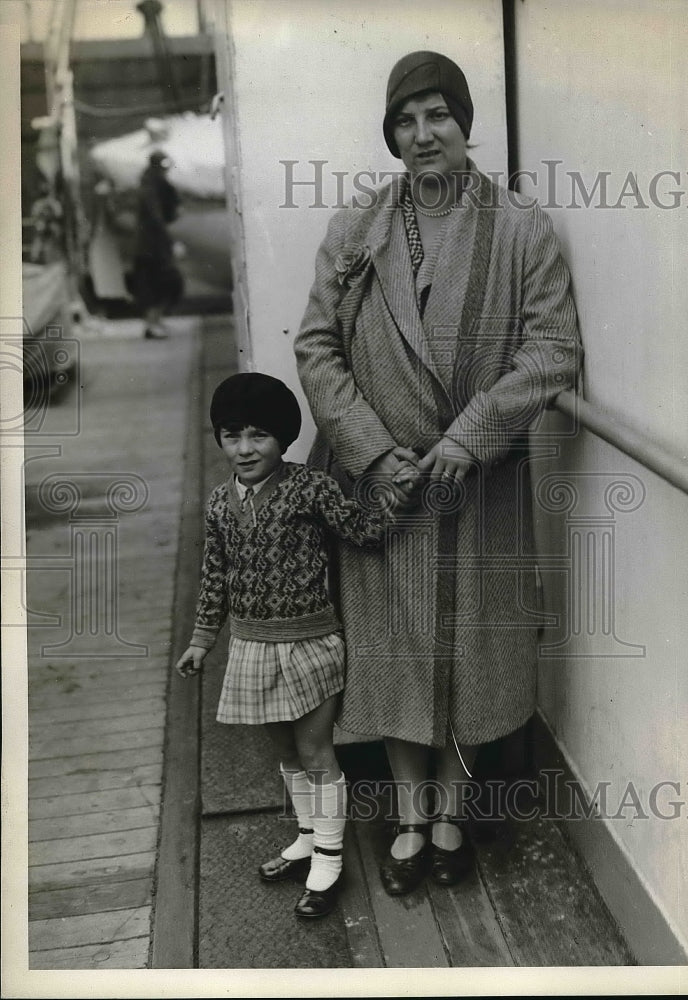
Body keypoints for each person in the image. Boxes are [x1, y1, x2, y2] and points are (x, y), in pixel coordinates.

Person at [295, 51, 583, 895]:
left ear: (463, 124)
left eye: (437, 117)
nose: (423, 136)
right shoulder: (357, 226)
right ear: (391, 135)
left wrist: (467, 439)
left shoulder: (519, 227)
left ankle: (452, 812)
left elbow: (552, 349)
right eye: (405, 121)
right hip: (381, 484)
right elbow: (316, 347)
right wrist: (374, 453)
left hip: (473, 482)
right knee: (393, 649)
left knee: (468, 645)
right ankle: (409, 818)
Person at [175, 373, 395, 918]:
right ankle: (305, 835)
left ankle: (329, 855)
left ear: (284, 438)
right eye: (231, 436)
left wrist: (396, 492)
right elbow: (215, 576)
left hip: (311, 643)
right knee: (284, 753)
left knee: (318, 752)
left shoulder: (309, 488)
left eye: (259, 436)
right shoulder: (221, 504)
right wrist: (203, 640)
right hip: (251, 647)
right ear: (220, 439)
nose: (245, 449)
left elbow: (363, 530)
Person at [131, 149, 184, 339]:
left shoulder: (151, 184)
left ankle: (154, 322)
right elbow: (156, 219)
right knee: (160, 284)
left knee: (157, 284)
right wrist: (169, 242)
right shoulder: (151, 187)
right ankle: (152, 323)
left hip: (150, 245)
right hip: (152, 246)